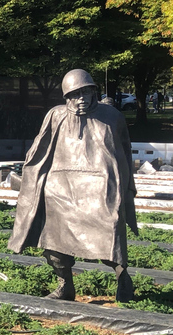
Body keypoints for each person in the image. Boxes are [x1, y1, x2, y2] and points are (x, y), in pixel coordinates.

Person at [8, 69, 137, 303]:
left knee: (109, 233)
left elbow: (124, 153)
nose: (82, 99)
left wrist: (125, 187)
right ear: (66, 97)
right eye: (75, 95)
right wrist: (31, 182)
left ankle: (122, 277)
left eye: (86, 93)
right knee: (52, 238)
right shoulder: (55, 116)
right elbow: (39, 150)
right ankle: (64, 284)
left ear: (94, 93)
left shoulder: (112, 116)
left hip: (101, 187)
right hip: (61, 190)